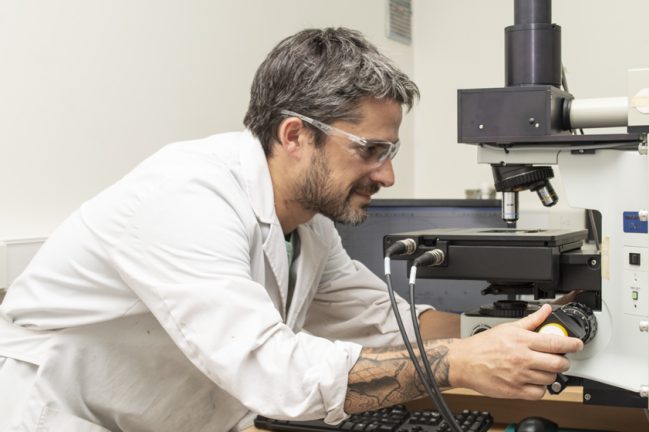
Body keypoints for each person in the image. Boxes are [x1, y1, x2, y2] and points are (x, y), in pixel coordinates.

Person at [0, 27, 582, 432]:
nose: (387, 173)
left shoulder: (304, 224)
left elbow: (380, 320)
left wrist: (512, 332)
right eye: (371, 150)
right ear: (296, 136)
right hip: (61, 415)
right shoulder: (186, 199)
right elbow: (272, 369)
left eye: (391, 148)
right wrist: (459, 362)